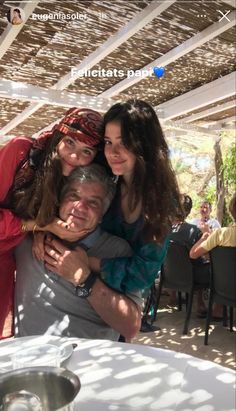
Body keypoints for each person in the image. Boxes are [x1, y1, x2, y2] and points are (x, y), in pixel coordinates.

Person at [44, 100, 183, 299]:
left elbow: (142, 275)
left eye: (124, 142)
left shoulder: (160, 202)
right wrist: (44, 231)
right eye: (108, 142)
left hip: (122, 299)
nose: (113, 152)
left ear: (144, 145)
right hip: (74, 285)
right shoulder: (105, 180)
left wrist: (86, 262)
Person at [0, 107, 103, 338]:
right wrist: (38, 226)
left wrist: (39, 231)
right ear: (58, 136)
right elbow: (32, 220)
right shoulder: (21, 152)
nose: (75, 157)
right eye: (69, 142)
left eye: (86, 151)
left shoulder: (65, 181)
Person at [14, 164, 141, 341]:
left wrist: (84, 279)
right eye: (74, 196)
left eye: (93, 202)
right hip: (30, 359)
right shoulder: (27, 239)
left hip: (87, 363)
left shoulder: (116, 250)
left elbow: (131, 328)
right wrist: (39, 226)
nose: (80, 207)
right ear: (60, 200)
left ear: (101, 216)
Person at [190, 193, 236, 318]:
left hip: (225, 287)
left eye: (206, 207)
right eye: (202, 207)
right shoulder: (193, 222)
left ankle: (217, 308)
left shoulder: (220, 233)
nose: (203, 209)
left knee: (215, 268)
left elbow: (193, 254)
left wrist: (205, 236)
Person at [168, 194, 210, 316]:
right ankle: (200, 303)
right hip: (190, 276)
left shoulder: (165, 230)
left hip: (169, 276)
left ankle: (172, 296)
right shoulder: (194, 231)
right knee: (203, 263)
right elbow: (202, 253)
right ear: (189, 210)